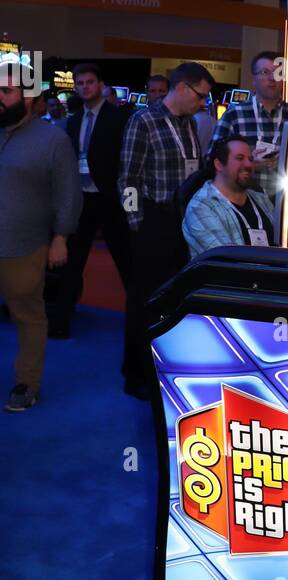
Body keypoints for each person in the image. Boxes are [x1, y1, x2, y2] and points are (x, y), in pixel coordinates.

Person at [119, 61, 214, 398]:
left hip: (183, 220)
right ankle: (136, 374)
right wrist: (136, 225)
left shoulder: (188, 123)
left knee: (175, 297)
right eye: (201, 95)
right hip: (153, 221)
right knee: (145, 299)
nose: (204, 103)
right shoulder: (143, 120)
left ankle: (163, 367)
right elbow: (128, 179)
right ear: (184, 88)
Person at [0, 61, 82, 411]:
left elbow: (68, 193)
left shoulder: (53, 139)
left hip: (26, 244)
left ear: (29, 96)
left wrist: (61, 237)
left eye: (5, 92)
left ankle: (26, 382)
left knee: (27, 314)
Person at [48, 63, 132, 340]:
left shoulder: (119, 118)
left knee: (126, 263)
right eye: (80, 83)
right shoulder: (72, 119)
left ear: (101, 85)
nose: (85, 87)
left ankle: (141, 321)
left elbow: (125, 160)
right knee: (72, 262)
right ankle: (60, 321)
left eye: (90, 82)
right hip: (80, 199)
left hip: (109, 199)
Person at [208, 51, 288, 200]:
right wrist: (249, 164)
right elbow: (212, 159)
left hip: (284, 201)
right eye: (265, 72)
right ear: (254, 79)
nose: (272, 78)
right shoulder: (235, 114)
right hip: (243, 201)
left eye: (279, 73)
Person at [183, 138, 275, 255]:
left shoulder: (261, 199)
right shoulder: (201, 207)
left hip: (275, 271)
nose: (248, 164)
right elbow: (227, 260)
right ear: (219, 165)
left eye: (250, 159)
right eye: (239, 158)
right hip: (237, 273)